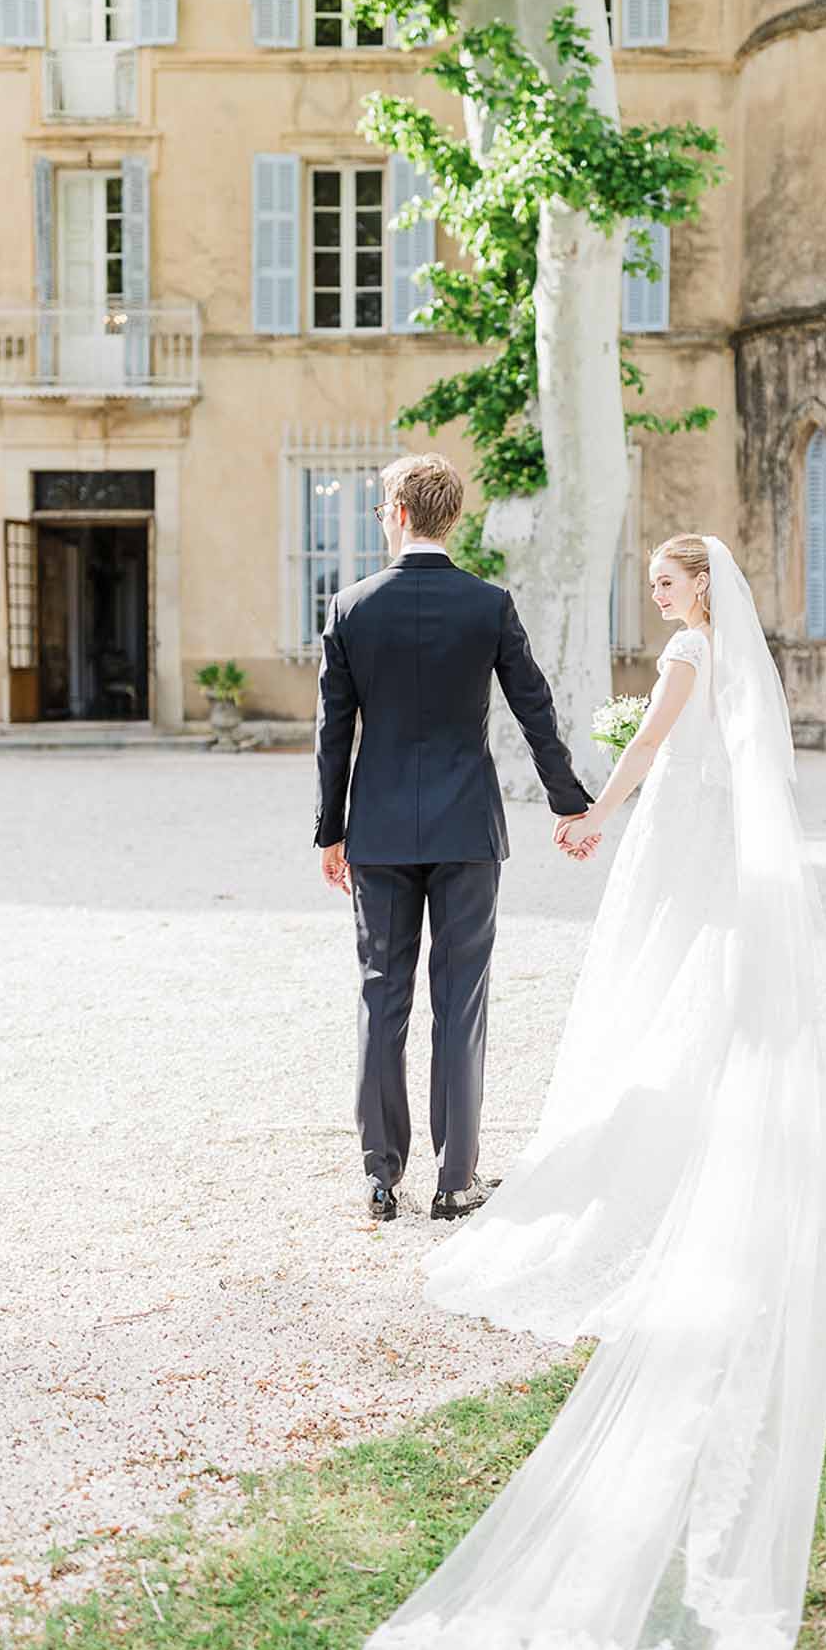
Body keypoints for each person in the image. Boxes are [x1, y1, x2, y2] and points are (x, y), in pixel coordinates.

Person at [364, 534, 826, 1650]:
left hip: (678, 844)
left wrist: (592, 807)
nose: (660, 598)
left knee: (656, 977)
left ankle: (648, 1143)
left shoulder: (690, 654)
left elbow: (656, 750)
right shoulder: (734, 652)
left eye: (665, 582)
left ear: (695, 586)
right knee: (689, 984)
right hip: (713, 844)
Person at [313, 453, 594, 1223]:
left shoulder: (351, 608)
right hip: (468, 828)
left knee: (381, 997)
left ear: (399, 514)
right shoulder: (488, 605)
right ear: (449, 518)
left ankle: (380, 1179)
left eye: (380, 509)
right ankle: (456, 1178)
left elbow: (333, 736)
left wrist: (329, 832)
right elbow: (536, 711)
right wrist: (570, 803)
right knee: (461, 1000)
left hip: (377, 834)